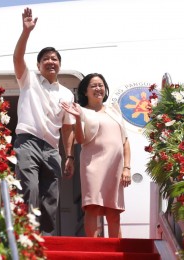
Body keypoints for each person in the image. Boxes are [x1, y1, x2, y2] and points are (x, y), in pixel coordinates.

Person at [13, 7, 75, 236]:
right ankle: (26, 235)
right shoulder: (28, 80)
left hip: (51, 148)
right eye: (46, 59)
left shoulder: (67, 93)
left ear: (59, 64)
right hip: (27, 141)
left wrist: (69, 155)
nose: (51, 62)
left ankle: (47, 238)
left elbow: (68, 128)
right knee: (30, 188)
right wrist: (26, 32)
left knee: (51, 194)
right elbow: (18, 57)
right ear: (38, 65)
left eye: (55, 59)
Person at [61, 73, 131, 238]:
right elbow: (80, 139)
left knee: (114, 211)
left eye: (101, 85)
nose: (98, 89)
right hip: (92, 165)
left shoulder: (114, 110)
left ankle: (115, 254)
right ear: (85, 91)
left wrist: (126, 167)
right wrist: (78, 120)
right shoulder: (81, 111)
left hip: (114, 167)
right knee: (92, 206)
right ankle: (93, 250)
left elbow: (125, 142)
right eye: (93, 86)